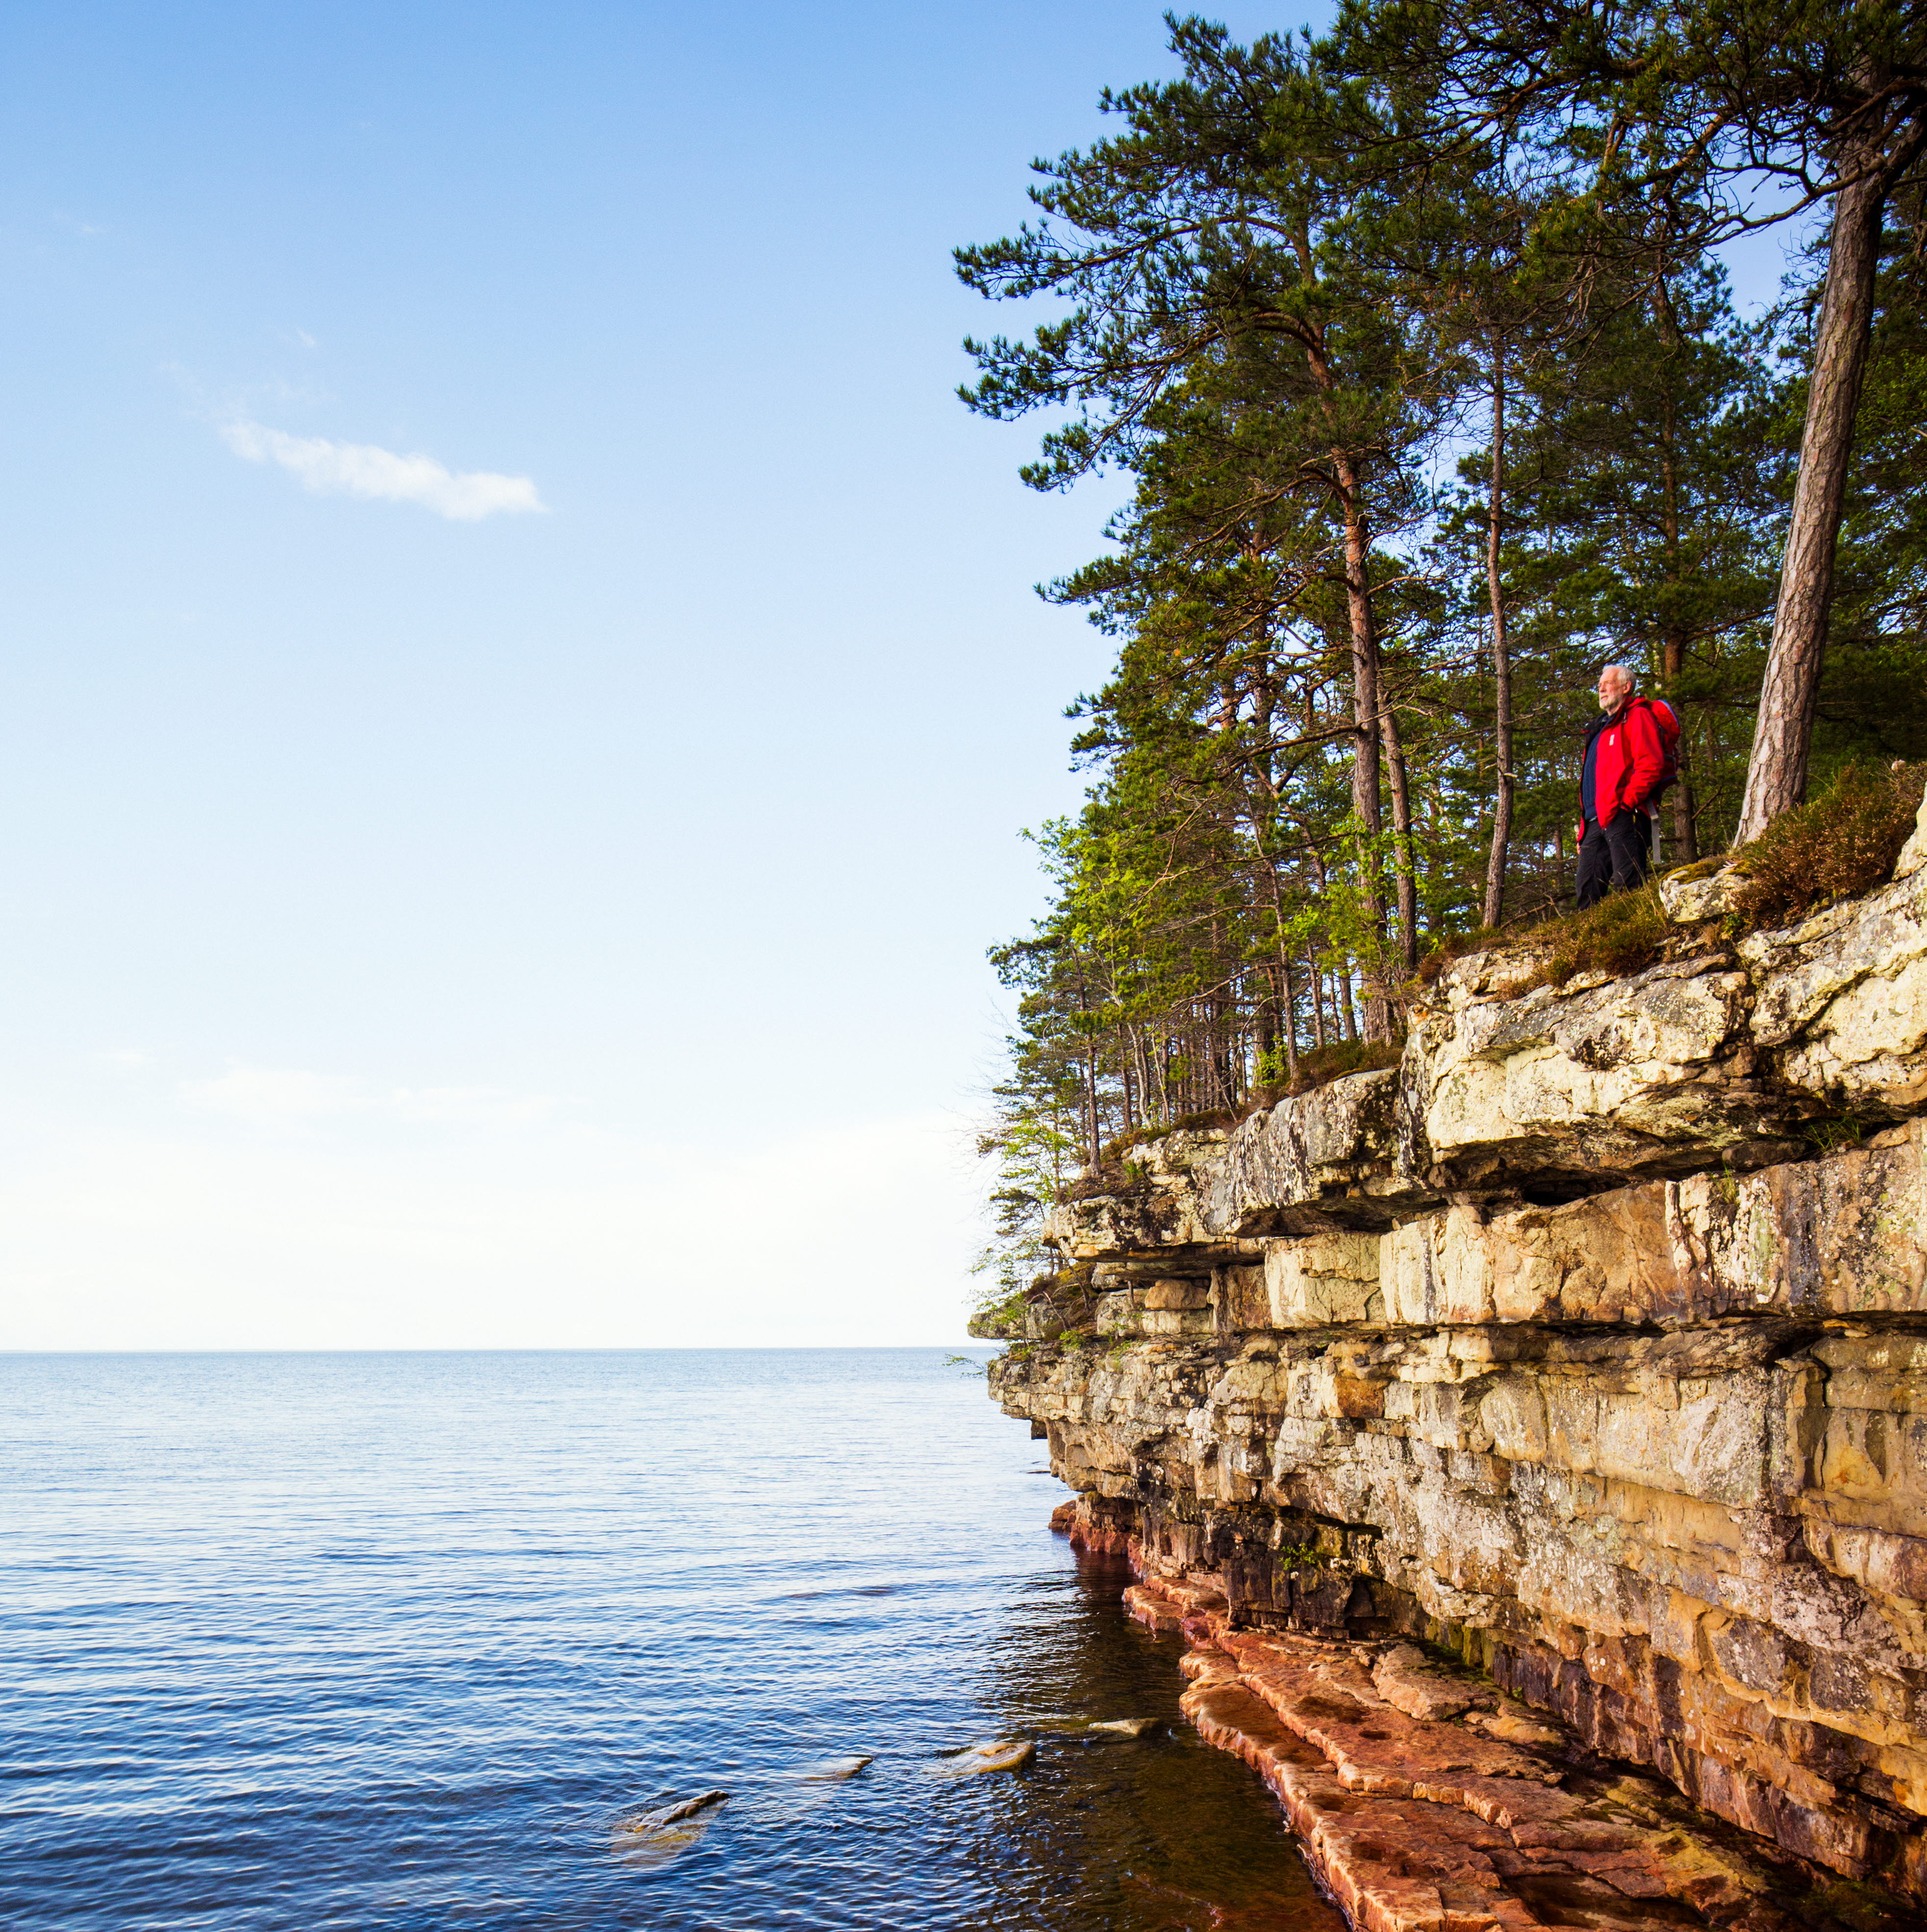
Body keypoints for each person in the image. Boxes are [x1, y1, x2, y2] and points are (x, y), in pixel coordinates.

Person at [1576, 662, 1667, 909]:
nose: (1601, 689)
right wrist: (1583, 827)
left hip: (1624, 814)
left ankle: (1639, 941)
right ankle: (1591, 945)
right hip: (1595, 821)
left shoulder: (1637, 716)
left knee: (1628, 885)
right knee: (1586, 892)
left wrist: (1627, 804)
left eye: (1608, 684)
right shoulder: (1599, 729)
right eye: (1599, 686)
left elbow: (1651, 764)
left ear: (1626, 687)